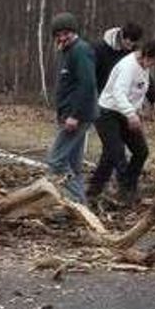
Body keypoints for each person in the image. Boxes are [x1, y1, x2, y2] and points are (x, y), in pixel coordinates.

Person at [87, 39, 155, 205]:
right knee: (117, 155)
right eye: (153, 61)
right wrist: (131, 114)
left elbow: (143, 85)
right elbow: (118, 93)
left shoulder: (144, 67)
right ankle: (124, 192)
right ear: (146, 54)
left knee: (140, 151)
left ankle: (104, 188)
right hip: (108, 112)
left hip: (125, 113)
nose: (153, 65)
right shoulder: (128, 66)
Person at [47, 12, 97, 204]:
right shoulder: (68, 52)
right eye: (58, 34)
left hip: (77, 117)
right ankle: (77, 203)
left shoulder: (80, 51)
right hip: (70, 115)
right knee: (72, 164)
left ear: (74, 32)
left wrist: (74, 115)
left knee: (56, 161)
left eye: (66, 33)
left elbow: (87, 85)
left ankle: (78, 204)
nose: (62, 37)